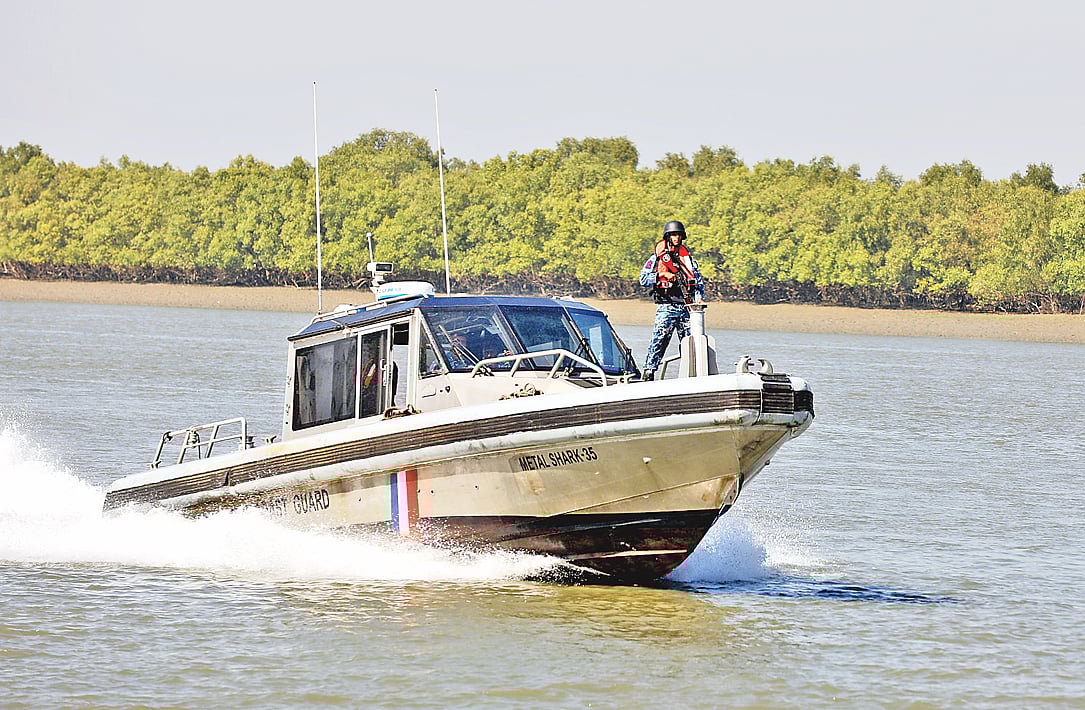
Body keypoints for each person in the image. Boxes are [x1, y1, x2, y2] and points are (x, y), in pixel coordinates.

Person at [638, 220, 705, 381]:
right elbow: (643, 278)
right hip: (666, 305)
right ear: (667, 237)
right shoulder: (656, 258)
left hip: (687, 307)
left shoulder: (688, 260)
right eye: (674, 235)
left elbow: (698, 282)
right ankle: (649, 371)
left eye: (679, 235)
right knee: (659, 339)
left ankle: (692, 374)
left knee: (691, 342)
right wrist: (661, 275)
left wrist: (698, 299)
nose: (677, 238)